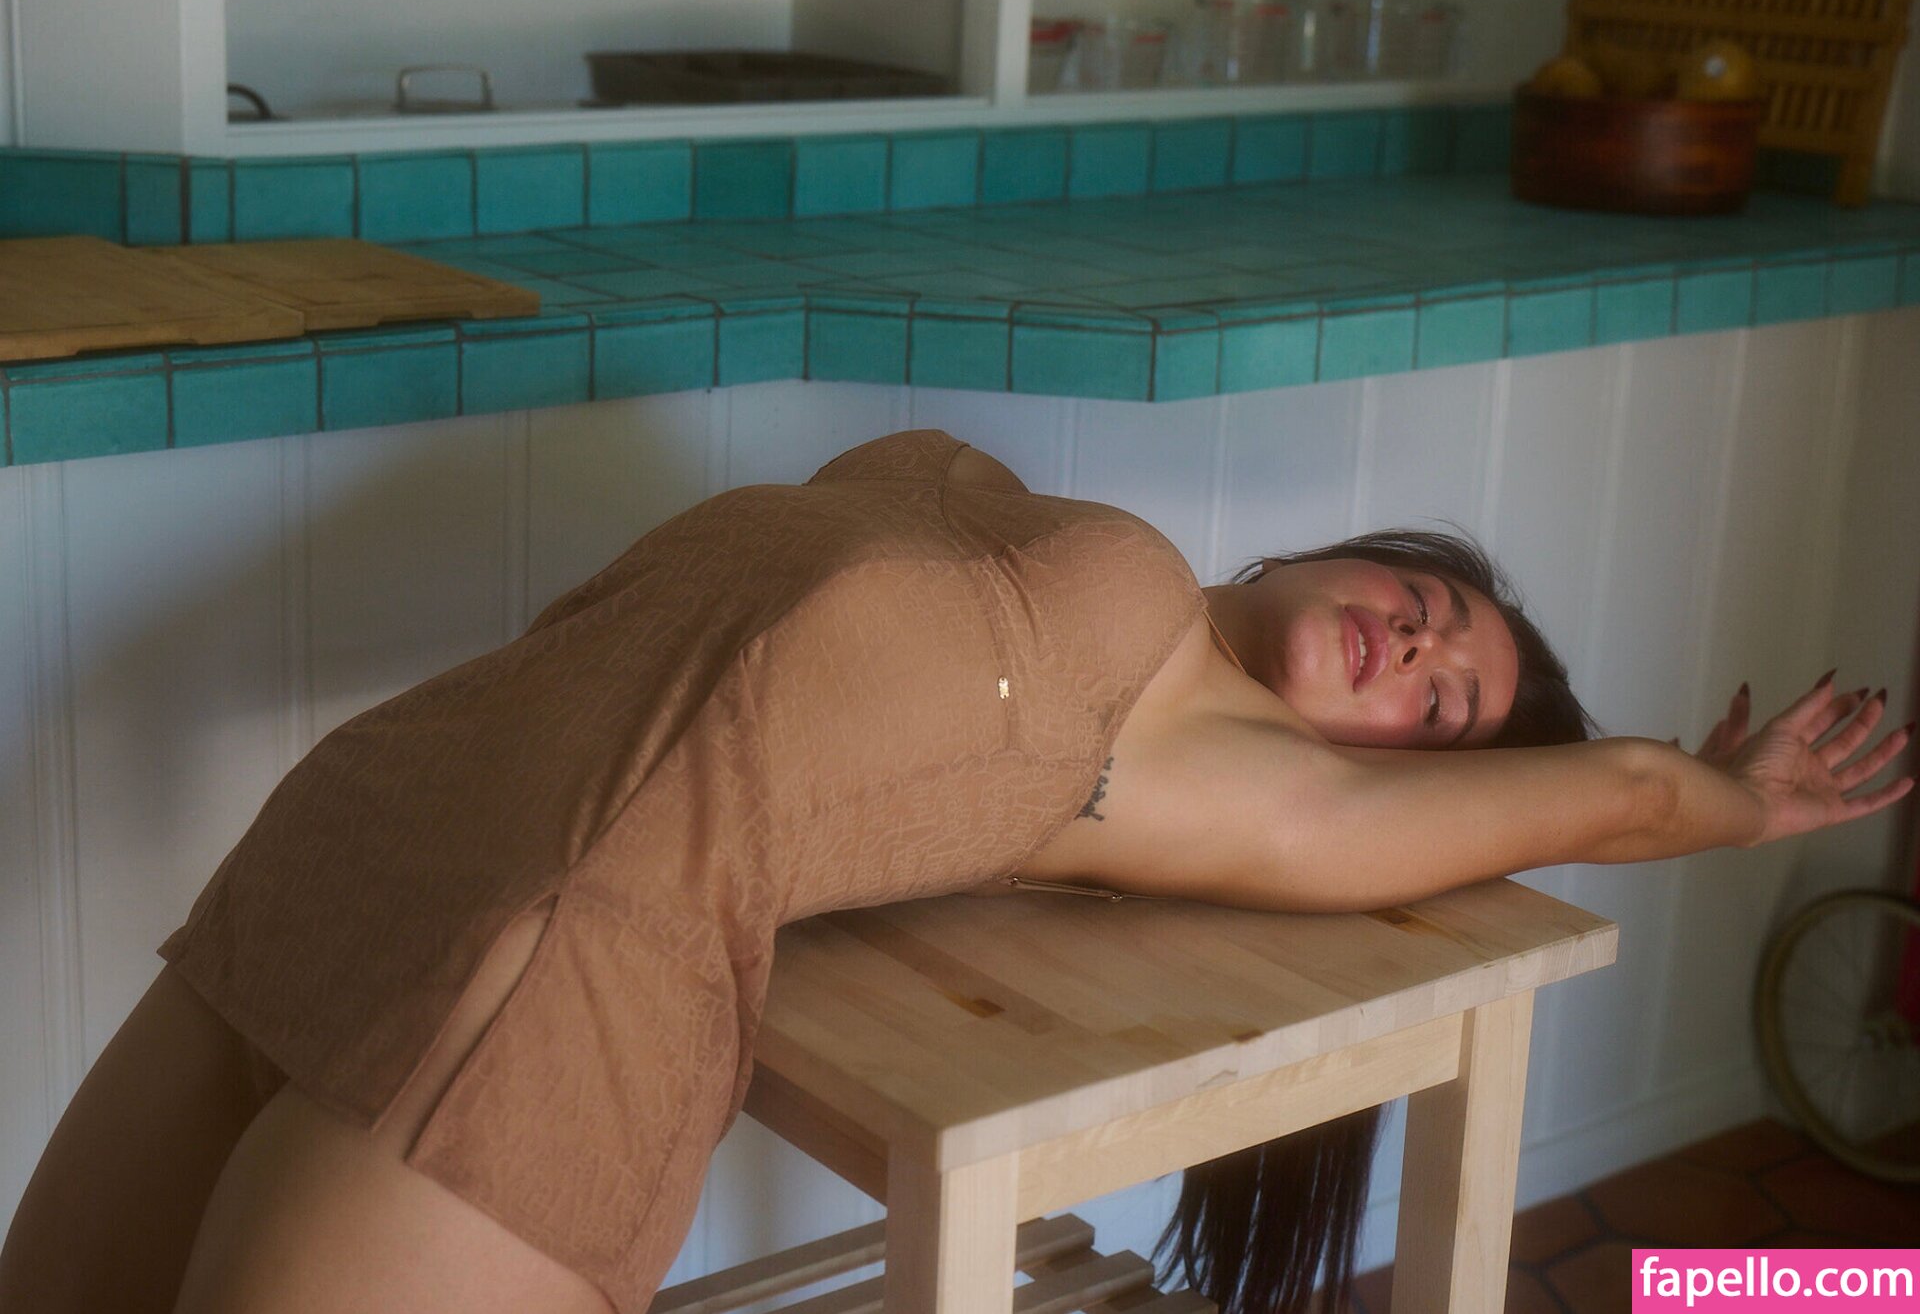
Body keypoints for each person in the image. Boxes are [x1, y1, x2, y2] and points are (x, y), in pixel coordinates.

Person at [0, 429, 1908, 1314]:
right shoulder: (1134, 587)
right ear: (1348, 557)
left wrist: (1731, 799)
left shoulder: (1238, 788)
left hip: (551, 966)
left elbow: (1621, 792)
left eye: (1446, 704)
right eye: (1429, 605)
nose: (1417, 645)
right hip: (360, 832)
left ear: (1397, 785)